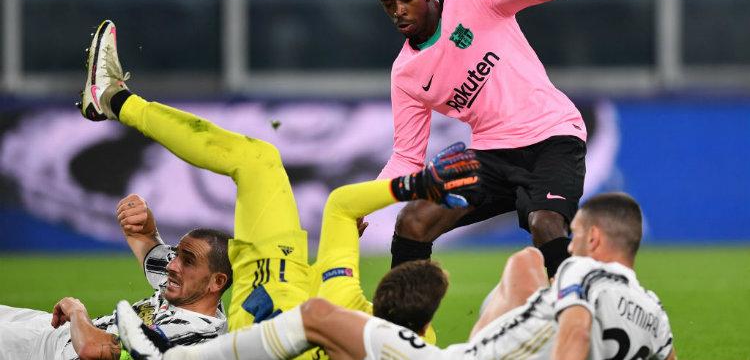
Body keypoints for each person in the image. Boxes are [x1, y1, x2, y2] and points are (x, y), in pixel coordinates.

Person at [77, 19, 483, 353]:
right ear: (425, 324)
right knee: (259, 166)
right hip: (267, 319)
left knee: (256, 160)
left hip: (268, 301)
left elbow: (341, 205)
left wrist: (416, 184)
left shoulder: (347, 300)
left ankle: (114, 99)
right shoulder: (418, 345)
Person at [117, 192, 676, 360]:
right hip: (462, 349)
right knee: (523, 268)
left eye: (576, 234)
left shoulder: (579, 270)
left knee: (316, 317)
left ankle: (170, 358)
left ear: (595, 241)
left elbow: (575, 335)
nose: (568, 243)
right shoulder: (654, 314)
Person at [375, 0, 587, 277]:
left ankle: (579, 313)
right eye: (389, 4)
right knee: (413, 222)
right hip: (491, 155)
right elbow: (406, 157)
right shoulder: (406, 73)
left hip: (552, 136)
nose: (398, 11)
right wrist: (366, 203)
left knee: (544, 224)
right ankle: (401, 325)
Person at [0, 194, 231, 360]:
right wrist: (142, 217)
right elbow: (144, 237)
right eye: (176, 254)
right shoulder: (192, 288)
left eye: (187, 260)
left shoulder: (191, 333)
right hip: (54, 332)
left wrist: (77, 310)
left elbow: (92, 350)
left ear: (217, 282)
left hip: (49, 352)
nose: (171, 265)